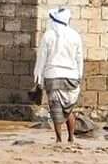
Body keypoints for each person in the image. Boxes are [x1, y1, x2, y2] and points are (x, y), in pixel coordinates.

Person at [33, 8, 84, 143]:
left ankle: (59, 139)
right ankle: (71, 138)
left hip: (53, 76)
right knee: (69, 109)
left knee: (55, 109)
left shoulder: (48, 36)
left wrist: (38, 77)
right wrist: (79, 75)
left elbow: (41, 58)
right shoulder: (75, 36)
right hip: (71, 77)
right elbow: (79, 58)